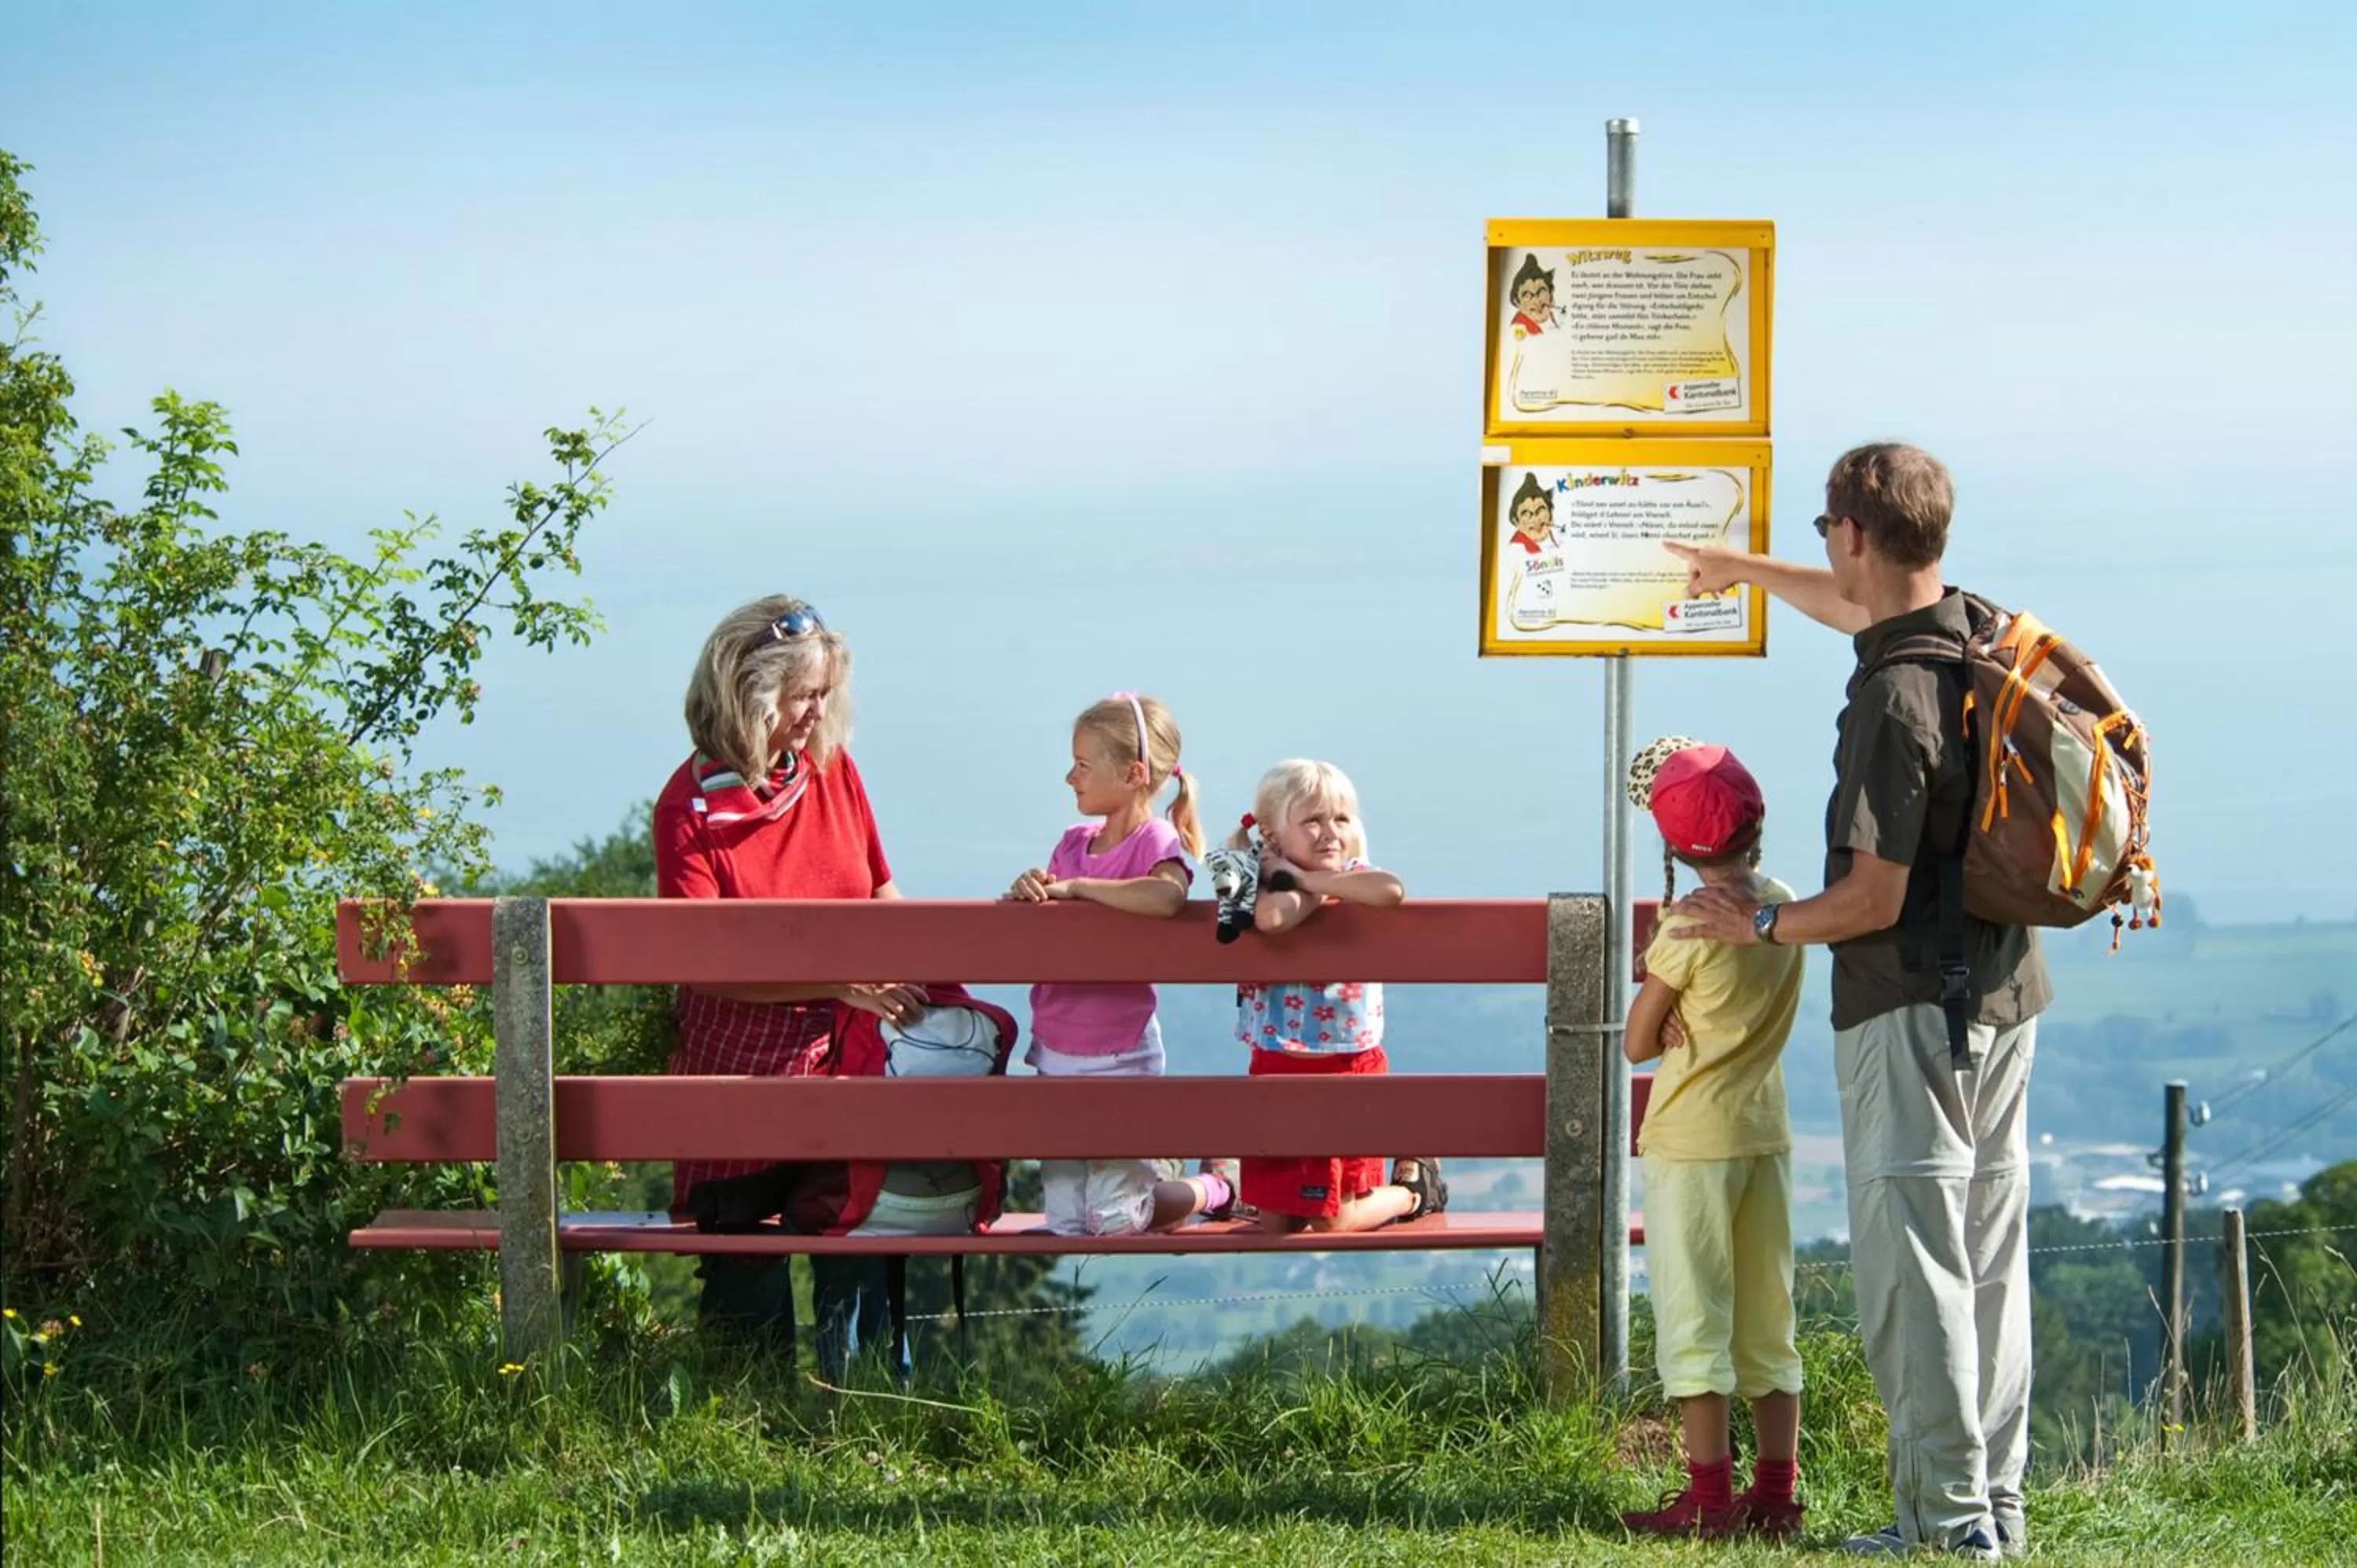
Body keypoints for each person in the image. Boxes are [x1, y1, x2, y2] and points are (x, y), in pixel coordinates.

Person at [1666, 442, 2049, 1561]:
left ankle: (1945, 1524)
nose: (1825, 544)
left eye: (1827, 525)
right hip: (2004, 992)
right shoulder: (1973, 632)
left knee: (1915, 1271)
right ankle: (1996, 1512)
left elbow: (1870, 896)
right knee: (1987, 1263)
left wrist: (1766, 923)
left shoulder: (1892, 701)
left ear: (1856, 534)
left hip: (1911, 1012)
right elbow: (1855, 607)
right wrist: (1742, 567)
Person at [651, 595, 923, 1379]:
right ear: (750, 689)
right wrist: (843, 980)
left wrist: (904, 973)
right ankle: (751, 1409)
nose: (817, 712)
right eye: (804, 694)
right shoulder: (690, 807)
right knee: (746, 1253)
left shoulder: (836, 774)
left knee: (855, 1237)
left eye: (825, 693)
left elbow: (880, 888)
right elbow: (707, 964)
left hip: (846, 1051)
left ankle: (864, 1401)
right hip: (740, 1063)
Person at [1615, 738, 1806, 1542]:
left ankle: (1709, 1499)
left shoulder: (1687, 927)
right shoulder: (1784, 903)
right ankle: (1776, 1494)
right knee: (1768, 1317)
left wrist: (1660, 990)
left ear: (1676, 846)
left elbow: (1636, 1043)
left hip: (1693, 1141)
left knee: (1697, 1314)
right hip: (1765, 1132)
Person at [1006, 693, 1234, 1235]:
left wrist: (1082, 888)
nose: (1069, 777)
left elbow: (1167, 898)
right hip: (1057, 1053)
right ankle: (1150, 1177)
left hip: (1121, 1057)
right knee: (1066, 1224)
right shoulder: (1072, 843)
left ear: (1134, 774)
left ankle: (1216, 1188)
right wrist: (1030, 888)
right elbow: (1051, 903)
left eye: (1083, 766)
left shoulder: (1155, 840)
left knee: (1115, 1222)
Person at [1233, 760, 1447, 1233]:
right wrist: (1290, 882)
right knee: (1278, 1222)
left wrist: (1305, 880)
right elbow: (1272, 918)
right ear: (1271, 835)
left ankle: (1412, 1193)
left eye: (1341, 820)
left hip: (1347, 1062)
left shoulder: (1355, 875)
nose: (1329, 833)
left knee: (1334, 1220)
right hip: (1278, 1061)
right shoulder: (1261, 885)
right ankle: (1231, 1188)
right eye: (1311, 821)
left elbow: (1390, 890)